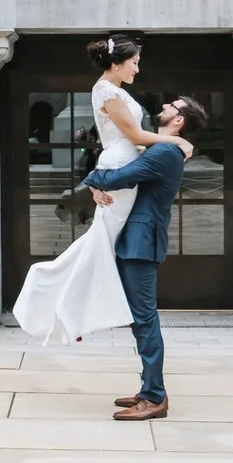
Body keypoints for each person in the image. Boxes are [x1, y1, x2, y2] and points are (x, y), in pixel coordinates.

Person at [11, 36, 193, 346]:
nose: (137, 69)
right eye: (134, 63)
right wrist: (177, 140)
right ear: (117, 63)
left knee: (102, 242)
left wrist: (97, 182)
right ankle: (58, 298)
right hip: (120, 161)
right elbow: (135, 135)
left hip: (123, 163)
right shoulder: (106, 91)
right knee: (102, 243)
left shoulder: (116, 90)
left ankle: (72, 311)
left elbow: (137, 139)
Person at [83, 93, 209, 421]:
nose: (164, 106)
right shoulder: (162, 147)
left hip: (141, 242)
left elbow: (120, 178)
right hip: (136, 239)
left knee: (144, 318)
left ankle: (155, 397)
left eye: (172, 106)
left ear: (178, 120)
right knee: (140, 319)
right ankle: (148, 389)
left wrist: (91, 180)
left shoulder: (165, 151)